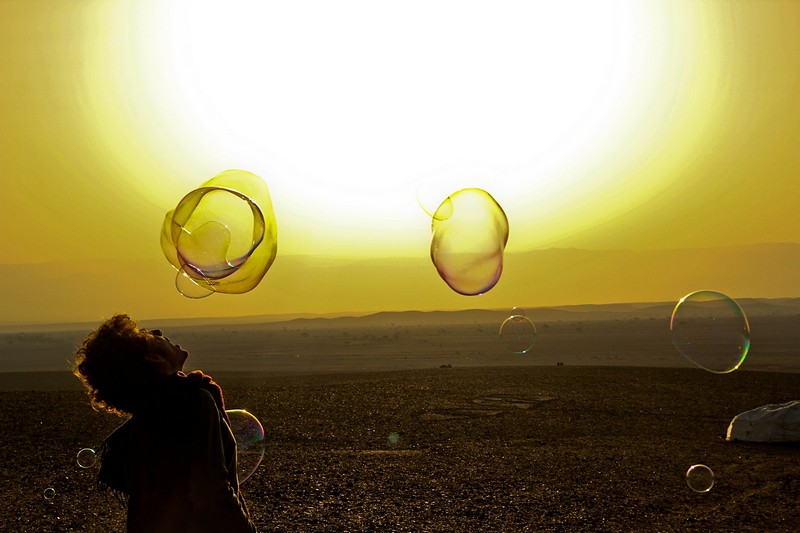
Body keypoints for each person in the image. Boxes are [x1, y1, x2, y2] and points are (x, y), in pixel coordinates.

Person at [73, 314, 258, 532]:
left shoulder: (148, 414)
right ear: (155, 358)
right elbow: (211, 491)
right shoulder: (193, 400)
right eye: (147, 336)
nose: (158, 332)